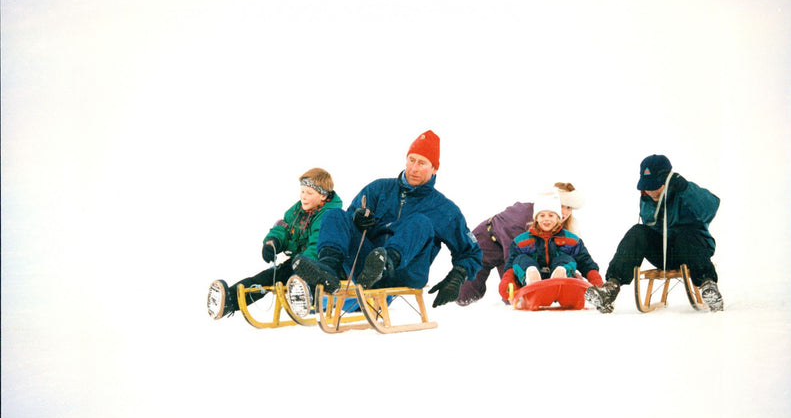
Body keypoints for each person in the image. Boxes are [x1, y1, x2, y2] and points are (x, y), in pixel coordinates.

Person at [292, 130, 482, 307]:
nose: (414, 168)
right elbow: (345, 225)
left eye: (422, 163)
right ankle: (327, 270)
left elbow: (470, 252)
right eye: (411, 160)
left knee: (421, 222)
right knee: (334, 215)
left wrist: (456, 277)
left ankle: (385, 262)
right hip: (365, 267)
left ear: (434, 169)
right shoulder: (379, 189)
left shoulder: (444, 209)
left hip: (405, 271)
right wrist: (357, 218)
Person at [584, 154, 723, 313]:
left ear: (668, 181)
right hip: (663, 255)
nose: (650, 191)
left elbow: (710, 208)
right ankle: (611, 287)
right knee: (637, 231)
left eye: (655, 186)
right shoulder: (647, 199)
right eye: (647, 186)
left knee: (684, 232)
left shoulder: (685, 192)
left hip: (692, 250)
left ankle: (708, 285)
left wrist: (685, 188)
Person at [207, 167, 343, 319]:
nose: (303, 197)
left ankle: (304, 300)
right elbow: (283, 227)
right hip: (298, 261)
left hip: (316, 266)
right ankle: (230, 300)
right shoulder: (298, 210)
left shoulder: (329, 216)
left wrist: (303, 265)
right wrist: (273, 242)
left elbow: (316, 245)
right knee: (265, 278)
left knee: (292, 279)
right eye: (302, 191)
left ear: (323, 196)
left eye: (309, 193)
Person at [457, 182, 586, 306]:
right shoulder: (523, 218)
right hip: (485, 244)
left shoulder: (555, 223)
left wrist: (575, 279)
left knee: (514, 296)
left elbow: (564, 256)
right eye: (561, 205)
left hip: (507, 250)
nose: (564, 212)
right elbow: (516, 257)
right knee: (465, 296)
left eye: (569, 207)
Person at [497, 189, 604, 302]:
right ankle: (532, 277)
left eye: (551, 215)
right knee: (521, 260)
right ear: (536, 218)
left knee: (567, 259)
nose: (546, 219)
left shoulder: (571, 240)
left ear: (558, 218)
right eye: (542, 215)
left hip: (561, 286)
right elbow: (510, 267)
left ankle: (560, 276)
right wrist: (507, 284)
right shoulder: (520, 241)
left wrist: (598, 285)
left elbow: (586, 263)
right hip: (529, 286)